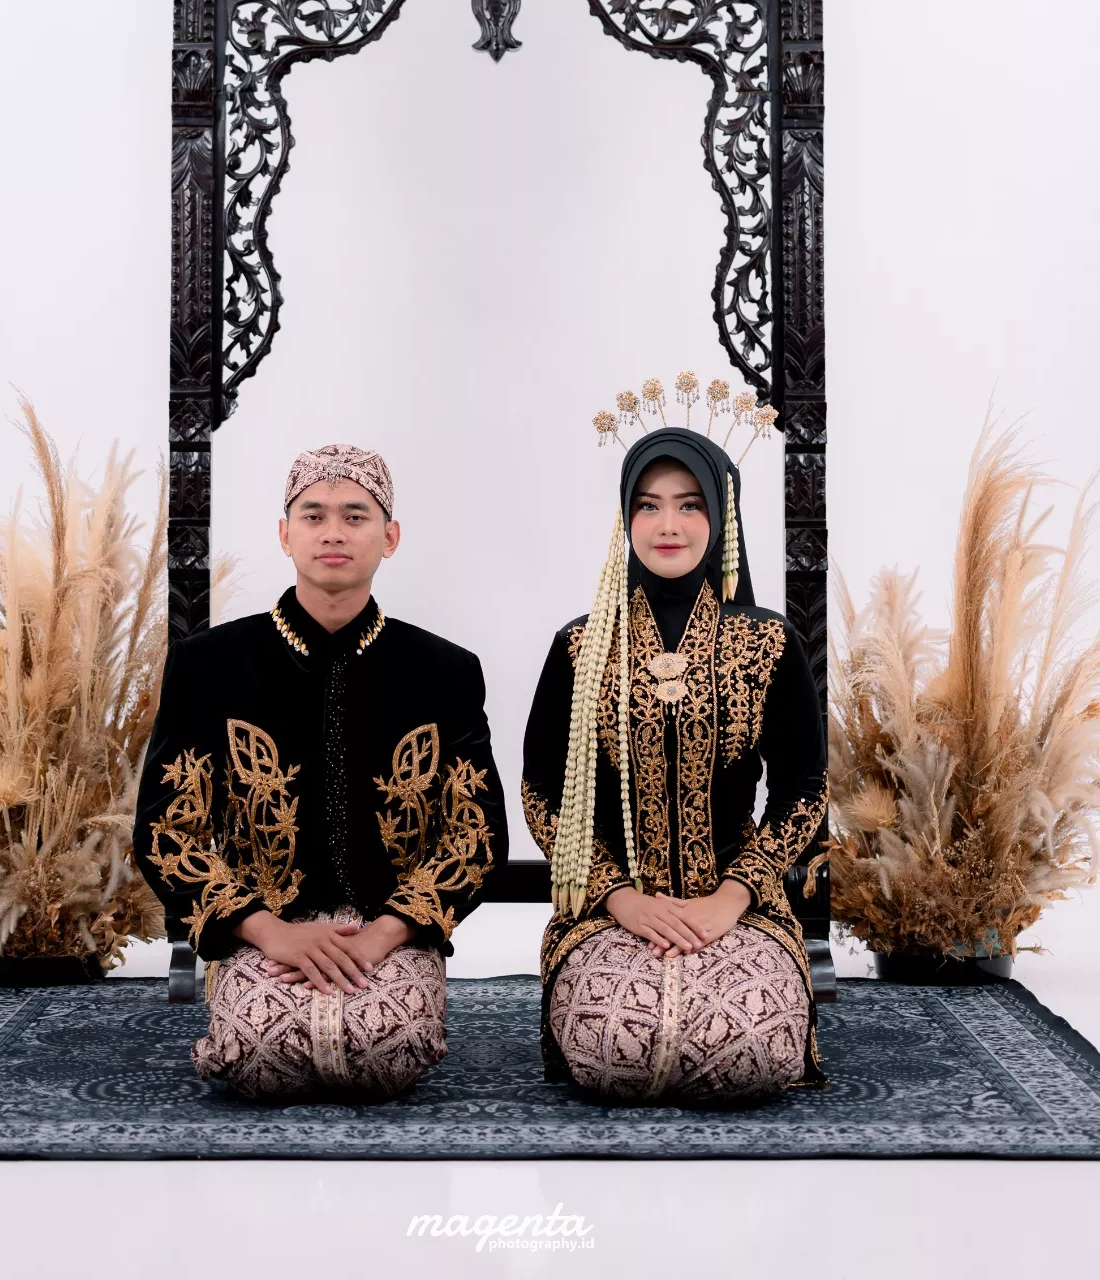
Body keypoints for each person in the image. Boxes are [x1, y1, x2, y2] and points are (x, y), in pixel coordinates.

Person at [134, 443, 507, 1101]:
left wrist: (386, 933)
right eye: (313, 515)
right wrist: (268, 931)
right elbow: (168, 831)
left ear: (389, 537)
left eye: (355, 516)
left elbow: (475, 837)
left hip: (392, 934)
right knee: (257, 1052)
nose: (333, 532)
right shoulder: (209, 665)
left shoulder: (443, 671)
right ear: (285, 535)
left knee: (386, 1049)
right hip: (259, 929)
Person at [521, 377, 828, 1105]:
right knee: (615, 1046)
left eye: (690, 505)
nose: (669, 524)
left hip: (738, 904)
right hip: (608, 910)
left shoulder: (768, 643)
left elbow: (804, 789)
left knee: (750, 1046)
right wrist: (617, 897)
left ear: (721, 517)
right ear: (624, 518)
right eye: (648, 504)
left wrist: (733, 895)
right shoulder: (581, 647)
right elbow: (542, 793)